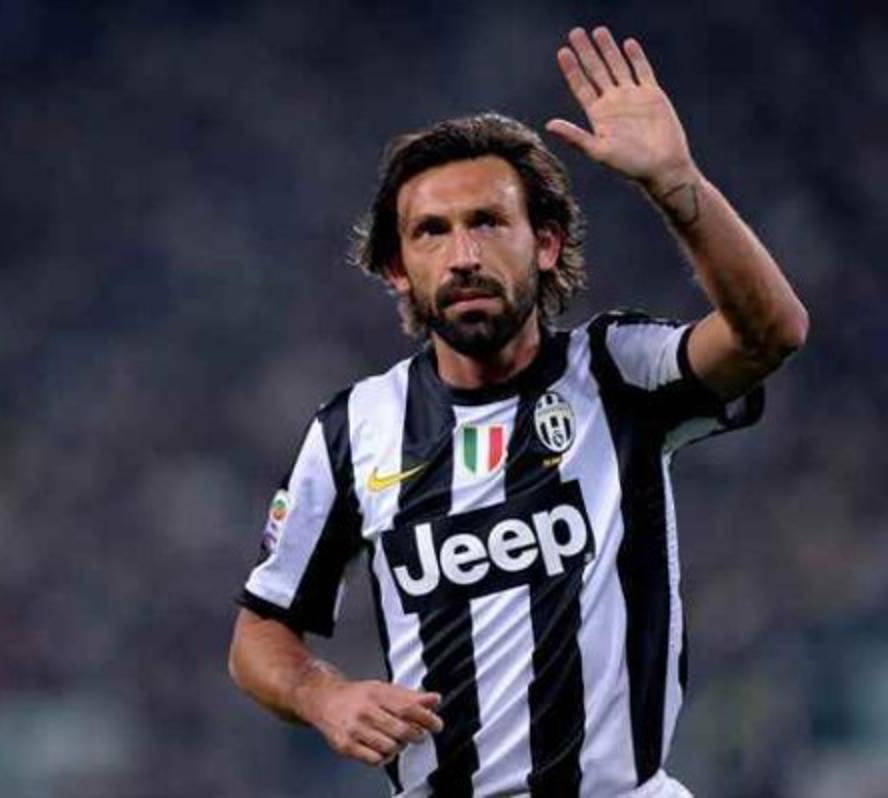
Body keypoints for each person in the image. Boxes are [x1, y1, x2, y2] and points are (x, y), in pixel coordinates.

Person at [227, 25, 808, 798]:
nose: (463, 256)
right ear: (398, 270)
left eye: (488, 222)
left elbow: (771, 333)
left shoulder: (617, 372)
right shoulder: (354, 429)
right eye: (432, 232)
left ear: (545, 243)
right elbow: (259, 631)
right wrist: (323, 695)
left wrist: (677, 184)